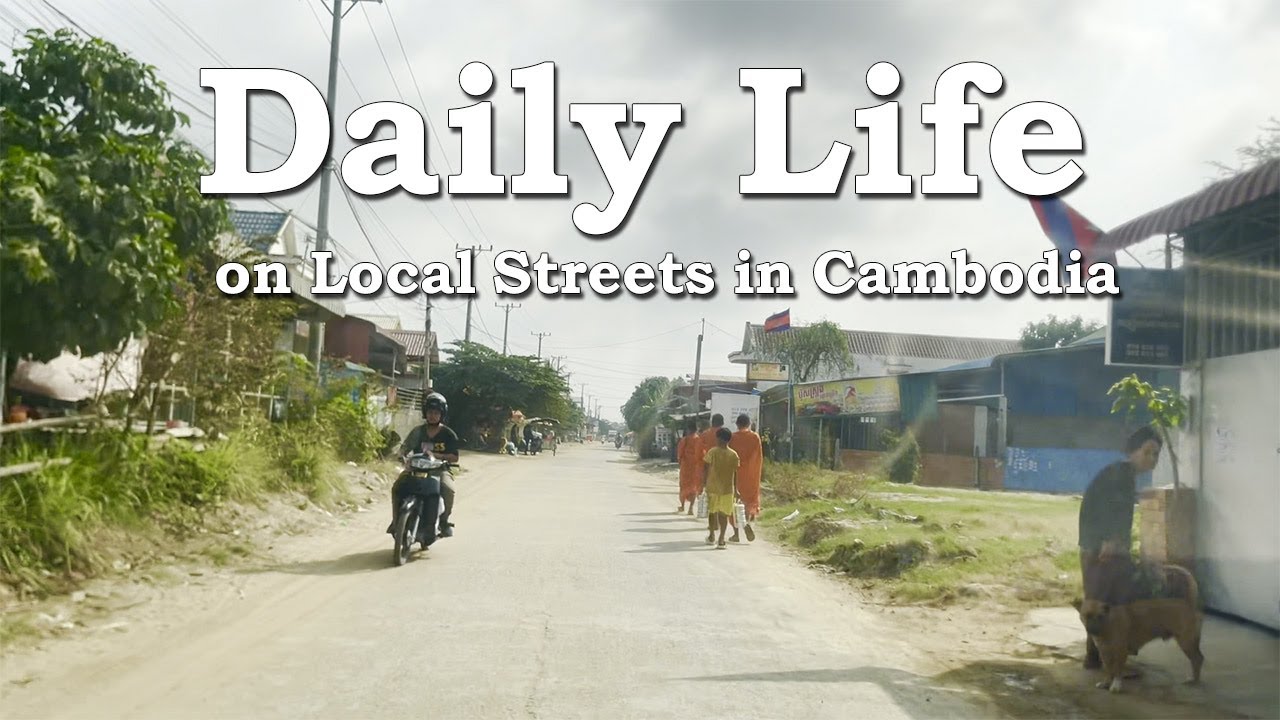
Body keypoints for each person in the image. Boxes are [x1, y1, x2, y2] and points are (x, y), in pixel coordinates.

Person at [1077, 425, 1163, 671]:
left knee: (1102, 602)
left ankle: (1100, 658)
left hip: (1098, 546)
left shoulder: (1121, 474)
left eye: (1156, 454)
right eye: (1148, 452)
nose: (1152, 458)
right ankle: (1106, 660)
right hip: (1102, 549)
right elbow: (1104, 509)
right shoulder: (1120, 476)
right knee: (1105, 605)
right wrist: (1108, 541)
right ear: (1133, 451)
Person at [389, 392, 460, 538]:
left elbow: (454, 457)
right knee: (397, 487)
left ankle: (443, 521)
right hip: (415, 469)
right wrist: (401, 455)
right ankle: (396, 521)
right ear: (425, 413)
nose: (432, 415)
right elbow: (405, 447)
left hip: (439, 470)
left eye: (436, 413)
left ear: (442, 414)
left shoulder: (448, 434)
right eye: (430, 412)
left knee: (448, 489)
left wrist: (437, 456)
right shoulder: (417, 432)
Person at [701, 427, 740, 549]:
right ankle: (721, 539)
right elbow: (735, 473)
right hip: (727, 489)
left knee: (712, 513)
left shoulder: (712, 452)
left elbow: (706, 468)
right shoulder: (734, 454)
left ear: (718, 439)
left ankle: (712, 535)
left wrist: (703, 483)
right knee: (724, 514)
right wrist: (736, 488)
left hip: (712, 487)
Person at [728, 413, 762, 542]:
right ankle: (746, 522)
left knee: (734, 503)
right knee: (747, 503)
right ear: (749, 424)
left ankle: (736, 534)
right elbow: (758, 457)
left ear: (737, 424)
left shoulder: (732, 437)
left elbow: (729, 456)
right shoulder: (755, 437)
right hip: (751, 475)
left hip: (735, 475)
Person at [676, 421, 702, 515]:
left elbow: (680, 453)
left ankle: (682, 506)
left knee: (683, 486)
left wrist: (680, 463)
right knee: (693, 487)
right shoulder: (699, 439)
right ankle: (691, 508)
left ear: (688, 429)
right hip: (696, 467)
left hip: (685, 467)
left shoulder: (685, 440)